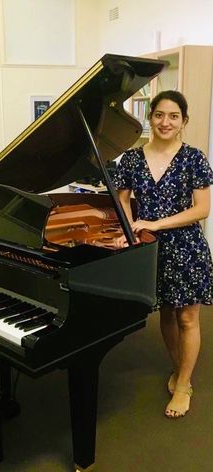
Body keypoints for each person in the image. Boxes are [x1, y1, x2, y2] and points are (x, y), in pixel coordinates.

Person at [112, 90, 213, 419]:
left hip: (186, 248)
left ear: (184, 121)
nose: (165, 122)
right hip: (150, 248)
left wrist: (156, 222)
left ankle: (184, 384)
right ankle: (178, 366)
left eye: (173, 116)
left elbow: (202, 210)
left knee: (187, 318)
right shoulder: (131, 158)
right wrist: (130, 231)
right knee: (166, 314)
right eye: (159, 115)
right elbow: (123, 198)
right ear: (149, 117)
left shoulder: (194, 158)